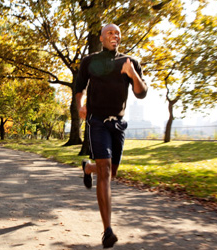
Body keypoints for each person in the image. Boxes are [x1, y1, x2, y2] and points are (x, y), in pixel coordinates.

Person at [75, 24, 148, 248]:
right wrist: (80, 106)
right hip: (96, 121)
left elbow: (142, 92)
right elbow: (79, 88)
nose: (114, 36)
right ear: (101, 37)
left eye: (117, 33)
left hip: (118, 124)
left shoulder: (129, 62)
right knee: (105, 171)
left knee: (111, 172)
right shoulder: (89, 61)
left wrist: (133, 74)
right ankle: (107, 230)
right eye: (109, 33)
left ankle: (88, 168)